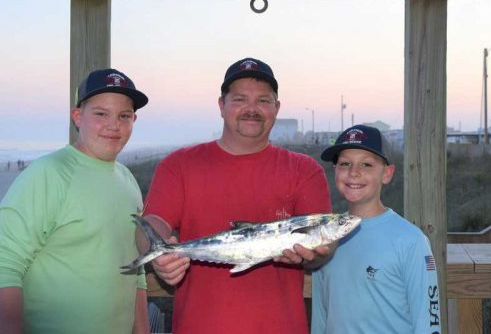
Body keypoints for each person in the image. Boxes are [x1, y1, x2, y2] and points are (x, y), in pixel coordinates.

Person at [140, 57, 332, 334]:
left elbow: (325, 246)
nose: (252, 109)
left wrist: (314, 254)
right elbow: (154, 221)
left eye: (263, 101)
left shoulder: (305, 170)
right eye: (240, 99)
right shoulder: (178, 165)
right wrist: (157, 253)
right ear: (222, 105)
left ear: (276, 108)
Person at [0, 68, 150, 334]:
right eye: (101, 114)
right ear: (77, 117)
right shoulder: (48, 173)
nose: (114, 125)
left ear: (134, 120)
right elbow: (5, 264)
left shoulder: (127, 180)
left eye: (124, 116)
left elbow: (135, 269)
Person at [312, 125, 441, 334]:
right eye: (345, 163)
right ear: (335, 171)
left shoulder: (411, 241)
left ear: (387, 173)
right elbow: (320, 315)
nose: (354, 172)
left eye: (367, 164)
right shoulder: (325, 236)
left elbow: (428, 320)